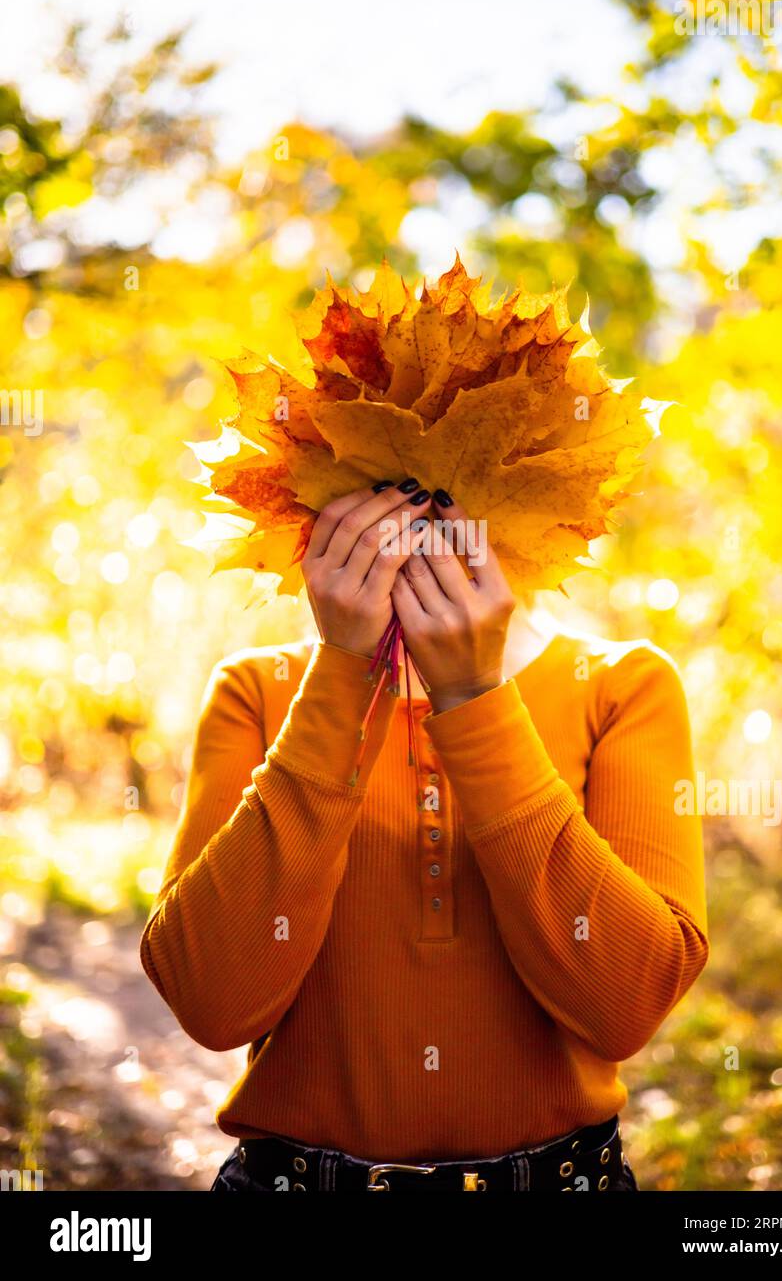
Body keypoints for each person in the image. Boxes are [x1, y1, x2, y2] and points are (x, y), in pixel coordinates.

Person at [140, 478, 710, 1193]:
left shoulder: (619, 687)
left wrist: (474, 698)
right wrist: (341, 674)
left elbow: (624, 1003)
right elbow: (212, 1001)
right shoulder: (259, 691)